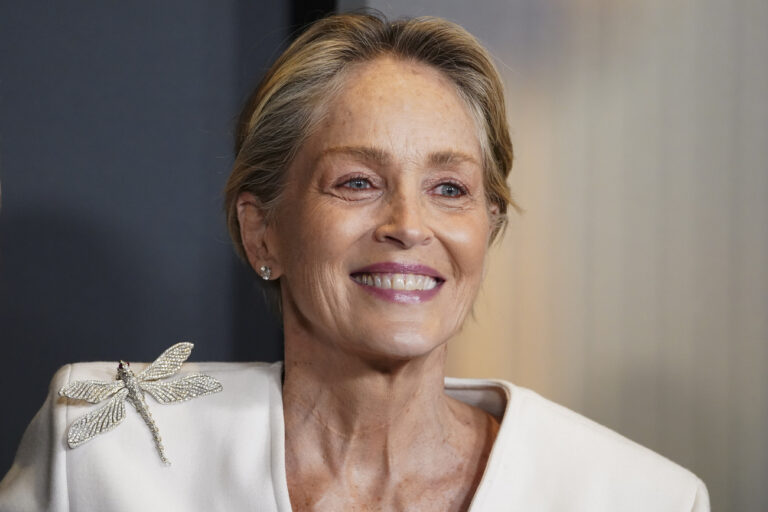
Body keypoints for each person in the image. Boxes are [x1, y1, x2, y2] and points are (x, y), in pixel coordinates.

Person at [0, 13, 709, 511]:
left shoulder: (642, 498)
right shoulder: (99, 446)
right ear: (263, 233)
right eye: (358, 182)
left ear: (485, 231)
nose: (408, 225)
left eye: (449, 189)